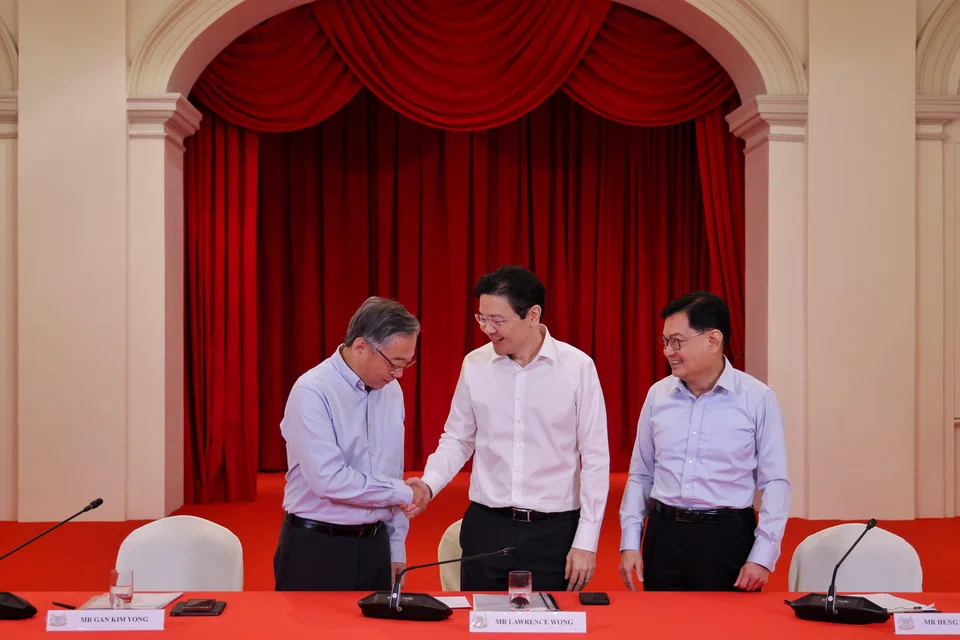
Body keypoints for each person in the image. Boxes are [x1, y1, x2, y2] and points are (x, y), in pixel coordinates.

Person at [405, 265, 610, 592]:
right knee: (479, 623)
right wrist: (428, 485)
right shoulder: (475, 364)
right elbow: (458, 438)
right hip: (487, 528)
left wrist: (586, 539)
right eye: (481, 318)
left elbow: (596, 459)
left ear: (533, 314)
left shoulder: (577, 368)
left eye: (497, 320)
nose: (487, 329)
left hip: (553, 532)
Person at [618, 291, 791, 592]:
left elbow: (775, 483)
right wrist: (630, 542)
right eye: (664, 342)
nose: (668, 352)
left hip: (727, 541)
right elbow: (642, 473)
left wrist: (763, 557)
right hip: (665, 536)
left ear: (712, 340)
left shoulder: (757, 399)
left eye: (677, 342)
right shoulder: (658, 395)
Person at [273, 296, 427, 591]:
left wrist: (396, 549)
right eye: (395, 363)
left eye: (408, 363)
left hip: (375, 547)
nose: (400, 374)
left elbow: (391, 472)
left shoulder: (391, 392)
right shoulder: (312, 391)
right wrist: (405, 491)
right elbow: (329, 480)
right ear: (360, 347)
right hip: (317, 549)